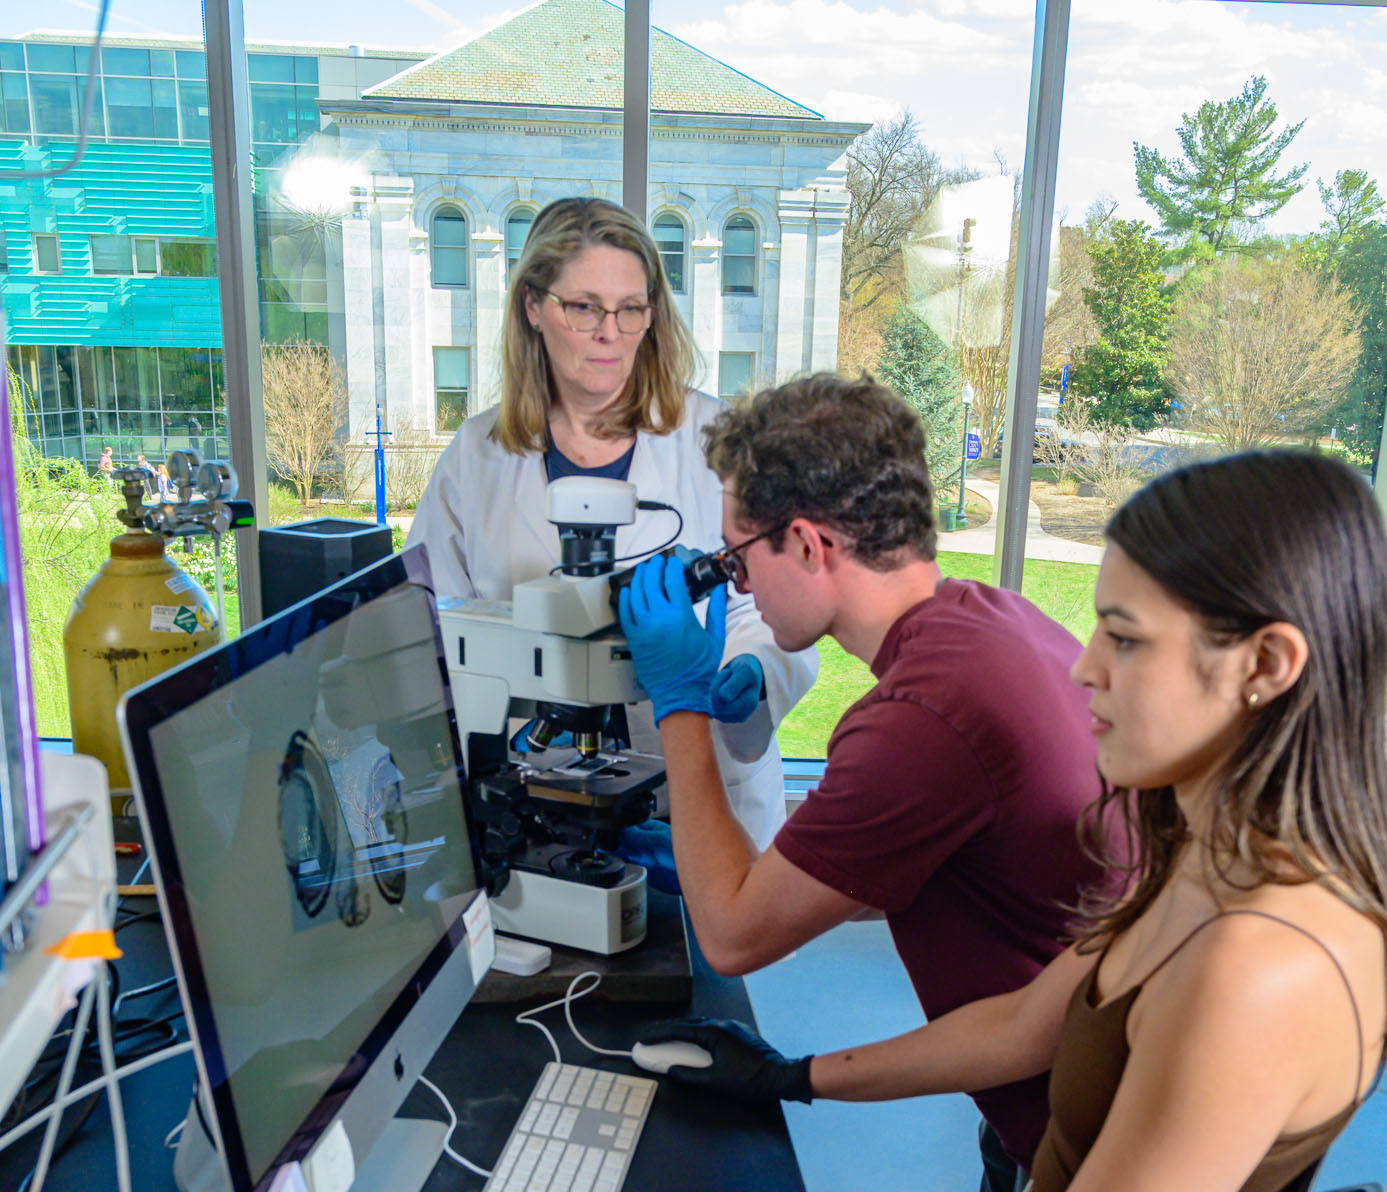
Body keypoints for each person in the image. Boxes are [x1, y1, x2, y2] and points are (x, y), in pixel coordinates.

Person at [636, 447, 1387, 1192]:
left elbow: (735, 936)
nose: (1085, 667)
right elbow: (1022, 1027)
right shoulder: (1205, 855)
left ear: (1262, 666)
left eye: (1123, 638)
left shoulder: (1259, 963)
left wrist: (682, 704)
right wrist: (790, 1077)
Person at [615, 373, 1107, 1188]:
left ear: (808, 546)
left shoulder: (920, 716)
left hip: (1088, 1137)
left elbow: (732, 938)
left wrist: (680, 704)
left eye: (740, 555)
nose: (734, 583)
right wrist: (747, 867)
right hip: (1059, 1086)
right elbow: (947, 858)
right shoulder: (993, 618)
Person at [407, 196, 816, 851]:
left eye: (631, 309)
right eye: (584, 307)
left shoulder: (718, 439)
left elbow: (777, 609)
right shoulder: (477, 455)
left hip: (708, 787)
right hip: (534, 787)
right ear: (532, 307)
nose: (610, 333)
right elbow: (432, 620)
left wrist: (753, 675)